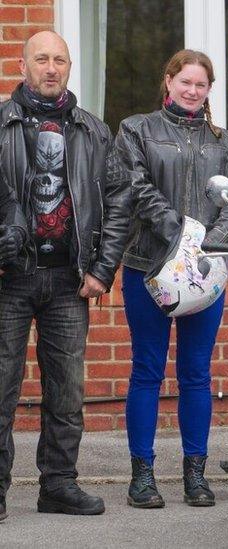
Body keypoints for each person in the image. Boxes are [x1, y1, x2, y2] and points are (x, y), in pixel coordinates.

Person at [116, 49, 228, 509]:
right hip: (148, 265)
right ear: (168, 81)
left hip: (205, 274)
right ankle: (143, 476)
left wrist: (210, 243)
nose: (192, 91)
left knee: (196, 374)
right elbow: (134, 186)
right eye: (185, 82)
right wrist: (179, 233)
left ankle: (196, 474)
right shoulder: (137, 130)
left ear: (209, 90)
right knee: (147, 371)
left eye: (201, 84)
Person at [0, 30, 128, 520]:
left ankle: (59, 485)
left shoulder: (93, 130)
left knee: (67, 391)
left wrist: (102, 269)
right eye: (41, 59)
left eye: (60, 60)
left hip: (69, 282)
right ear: (23, 64)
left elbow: (120, 203)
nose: (51, 68)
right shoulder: (4, 123)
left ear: (70, 67)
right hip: (9, 278)